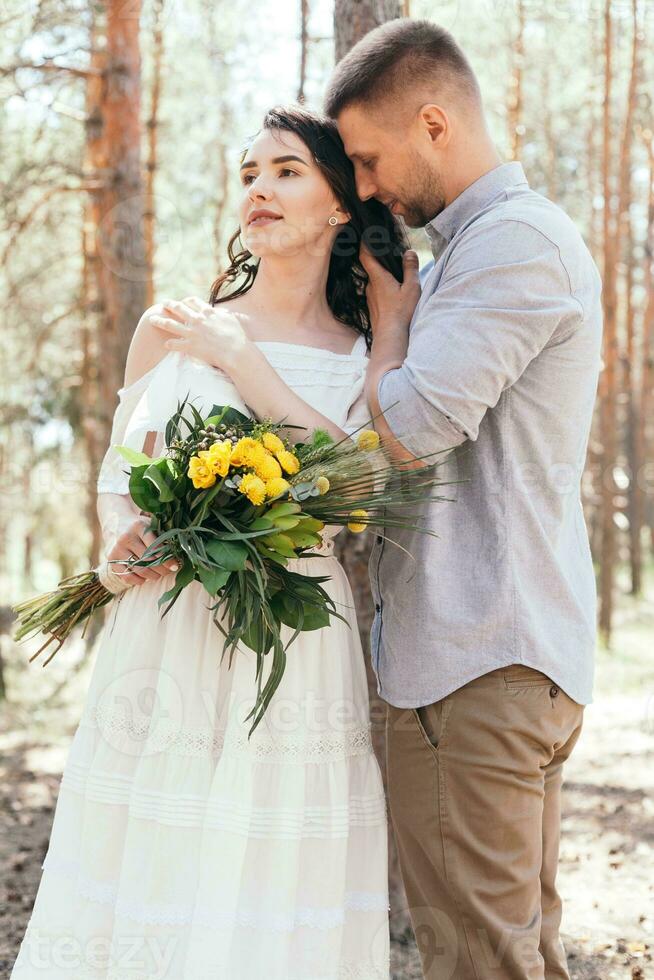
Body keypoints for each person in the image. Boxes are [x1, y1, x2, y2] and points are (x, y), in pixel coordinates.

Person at [10, 104, 418, 980]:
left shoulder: (358, 358)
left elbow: (353, 492)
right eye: (248, 174)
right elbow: (122, 474)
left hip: (292, 641)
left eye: (286, 171)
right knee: (160, 854)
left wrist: (245, 361)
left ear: (341, 206)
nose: (259, 190)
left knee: (269, 861)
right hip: (167, 632)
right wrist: (120, 543)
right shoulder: (170, 326)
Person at [325, 18, 603, 980]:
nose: (364, 188)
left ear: (433, 123)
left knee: (477, 964)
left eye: (368, 157)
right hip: (500, 656)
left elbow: (405, 429)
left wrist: (394, 327)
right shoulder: (472, 252)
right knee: (515, 957)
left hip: (472, 663)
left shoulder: (512, 244)